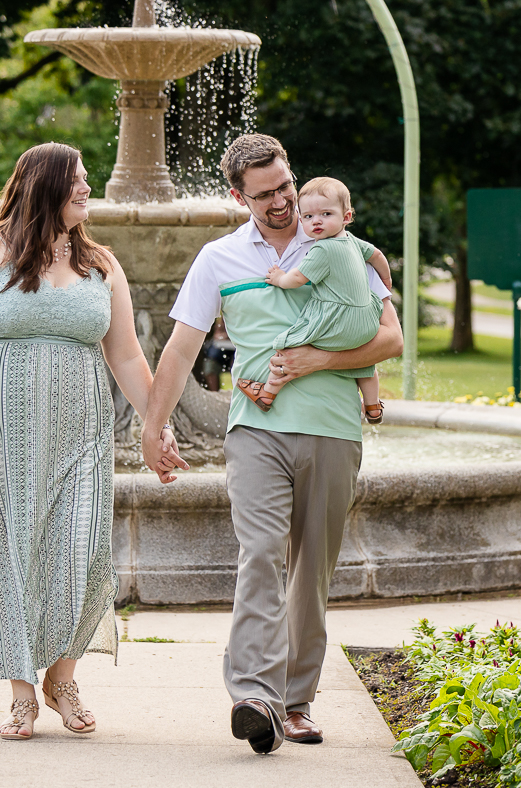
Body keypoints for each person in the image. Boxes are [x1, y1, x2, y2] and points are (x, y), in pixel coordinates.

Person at [139, 134, 404, 754]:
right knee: (261, 553)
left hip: (334, 426)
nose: (284, 202)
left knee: (311, 566)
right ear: (239, 197)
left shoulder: (341, 245)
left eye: (286, 185)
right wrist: (154, 425)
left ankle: (296, 700)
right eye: (266, 195)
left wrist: (313, 361)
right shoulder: (220, 259)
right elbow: (180, 348)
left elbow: (389, 339)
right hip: (255, 429)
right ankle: (255, 694)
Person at [0, 143, 183, 741]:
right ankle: (22, 693)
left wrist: (157, 425)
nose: (88, 192)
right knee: (8, 549)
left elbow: (125, 354)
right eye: (78, 184)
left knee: (80, 549)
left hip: (82, 432)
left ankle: (62, 677)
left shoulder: (101, 264)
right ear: (45, 186)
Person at [236, 176, 392, 424]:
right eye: (307, 217)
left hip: (337, 320)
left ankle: (267, 393)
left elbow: (297, 278)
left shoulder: (322, 249)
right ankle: (373, 407)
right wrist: (385, 279)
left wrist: (279, 277)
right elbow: (377, 255)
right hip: (366, 323)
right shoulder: (352, 242)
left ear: (346, 217)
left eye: (326, 214)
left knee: (286, 349)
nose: (316, 221)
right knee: (366, 364)